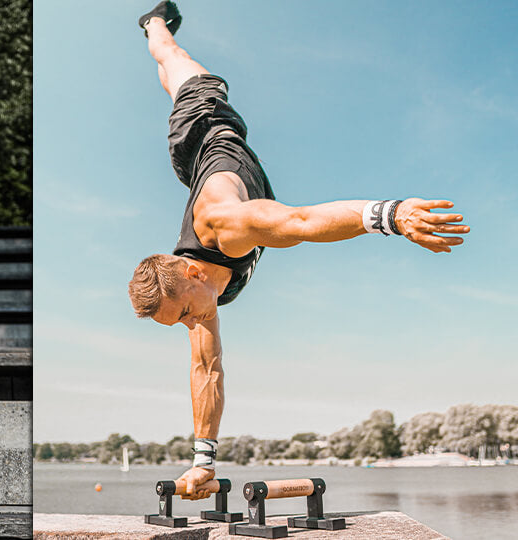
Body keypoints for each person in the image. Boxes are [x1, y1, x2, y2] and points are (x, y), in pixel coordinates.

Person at [127, 1, 469, 499]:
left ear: (191, 273)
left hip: (205, 126)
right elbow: (208, 369)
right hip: (195, 166)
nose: (189, 324)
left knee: (176, 64)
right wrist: (204, 461)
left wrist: (391, 215)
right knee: (170, 79)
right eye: (179, 322)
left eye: (181, 314)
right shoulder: (195, 298)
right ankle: (157, 36)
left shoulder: (229, 227)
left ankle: (154, 22)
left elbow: (300, 221)